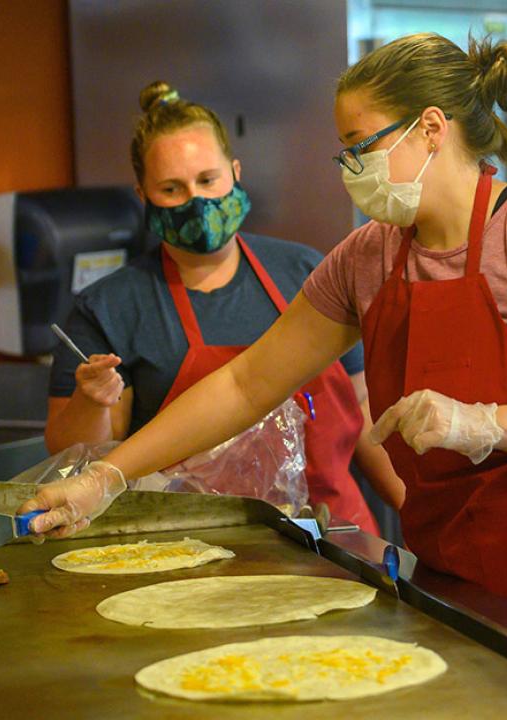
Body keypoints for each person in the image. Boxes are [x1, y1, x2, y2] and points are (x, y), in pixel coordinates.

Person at [21, 35, 507, 675]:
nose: (348, 168)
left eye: (360, 146)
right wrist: (106, 479)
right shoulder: (370, 258)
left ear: (431, 129)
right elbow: (247, 384)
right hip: (461, 585)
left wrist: (487, 424)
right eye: (343, 152)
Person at [44, 81, 402, 534]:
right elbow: (78, 457)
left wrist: (415, 509)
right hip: (187, 547)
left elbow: (365, 407)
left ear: (235, 172)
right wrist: (90, 401)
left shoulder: (307, 272)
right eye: (172, 188)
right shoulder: (111, 307)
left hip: (338, 538)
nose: (196, 201)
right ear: (143, 196)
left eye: (208, 180)